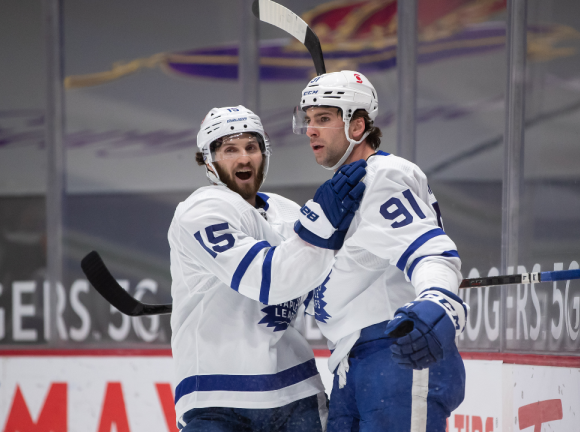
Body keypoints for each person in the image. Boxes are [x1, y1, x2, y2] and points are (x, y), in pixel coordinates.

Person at [168, 105, 367, 431]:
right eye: (230, 149)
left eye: (252, 147)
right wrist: (324, 224)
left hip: (296, 392)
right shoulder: (200, 211)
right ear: (208, 160)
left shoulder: (291, 213)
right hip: (216, 400)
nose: (244, 158)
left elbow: (329, 293)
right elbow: (270, 278)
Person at [294, 71, 469, 432]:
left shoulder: (383, 176)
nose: (311, 129)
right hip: (350, 360)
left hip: (395, 356)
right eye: (308, 120)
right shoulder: (340, 192)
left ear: (357, 126)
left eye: (324, 119)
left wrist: (437, 299)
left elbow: (430, 250)